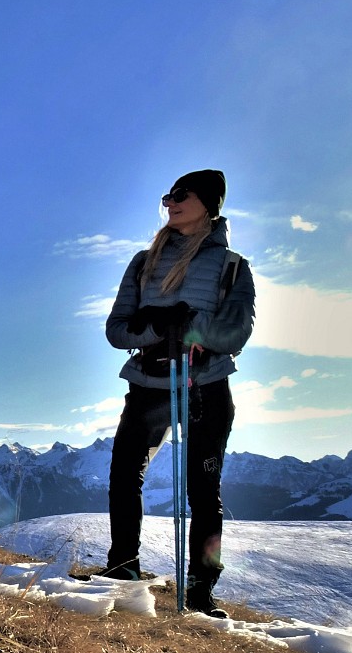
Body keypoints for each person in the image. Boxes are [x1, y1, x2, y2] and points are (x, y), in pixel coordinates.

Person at [101, 169, 256, 617]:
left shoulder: (232, 266)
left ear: (209, 203)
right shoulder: (141, 262)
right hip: (147, 383)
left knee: (204, 491)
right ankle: (122, 569)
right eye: (168, 194)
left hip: (204, 384)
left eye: (181, 194)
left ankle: (202, 593)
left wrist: (192, 328)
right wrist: (154, 327)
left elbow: (237, 331)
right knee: (123, 475)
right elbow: (116, 330)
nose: (170, 201)